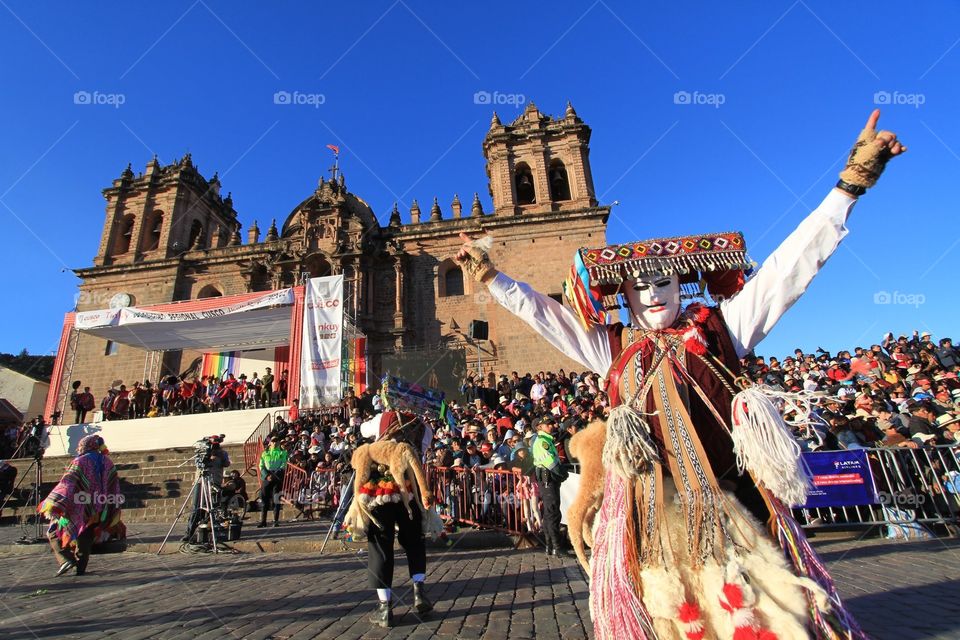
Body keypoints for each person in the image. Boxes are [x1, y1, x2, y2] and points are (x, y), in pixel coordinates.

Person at [456, 109, 905, 639]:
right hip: (654, 525)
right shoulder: (613, 348)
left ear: (683, 285)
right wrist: (493, 279)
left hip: (731, 510)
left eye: (664, 282)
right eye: (639, 287)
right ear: (621, 294)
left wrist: (849, 187)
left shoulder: (723, 329)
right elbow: (547, 317)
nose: (653, 295)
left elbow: (790, 269)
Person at [342, 411, 434, 629]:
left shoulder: (382, 417)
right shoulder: (423, 426)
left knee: (380, 545)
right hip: (409, 490)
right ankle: (419, 592)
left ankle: (385, 608)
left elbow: (363, 430)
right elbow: (424, 448)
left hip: (378, 492)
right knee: (414, 540)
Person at [39, 435, 125, 576]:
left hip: (78, 505)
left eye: (80, 446)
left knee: (54, 531)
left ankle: (65, 558)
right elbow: (113, 485)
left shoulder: (80, 461)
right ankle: (80, 567)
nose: (78, 448)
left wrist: (54, 501)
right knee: (86, 534)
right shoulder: (108, 462)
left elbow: (68, 482)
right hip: (99, 505)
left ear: (85, 446)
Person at [531, 415, 570, 556]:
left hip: (548, 479)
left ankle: (550, 546)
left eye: (552, 423)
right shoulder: (542, 442)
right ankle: (557, 547)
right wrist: (562, 473)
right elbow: (551, 462)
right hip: (548, 479)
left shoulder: (547, 440)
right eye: (548, 424)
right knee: (552, 512)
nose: (552, 426)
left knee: (549, 513)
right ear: (539, 427)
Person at [258, 439, 288, 527]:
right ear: (270, 443)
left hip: (277, 477)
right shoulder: (265, 453)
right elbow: (261, 465)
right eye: (273, 441)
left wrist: (274, 475)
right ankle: (263, 521)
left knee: (276, 499)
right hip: (267, 477)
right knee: (264, 499)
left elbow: (283, 464)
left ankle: (275, 521)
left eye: (276, 441)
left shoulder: (283, 452)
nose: (275, 443)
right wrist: (267, 475)